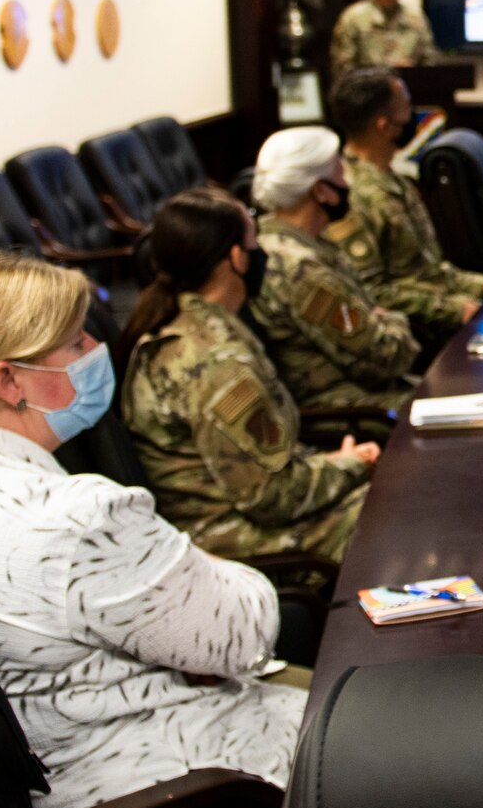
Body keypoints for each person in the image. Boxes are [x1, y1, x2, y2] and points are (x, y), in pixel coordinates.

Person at [0, 252, 302, 808]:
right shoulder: (78, 517)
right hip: (166, 783)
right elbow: (244, 634)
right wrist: (205, 572)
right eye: (74, 343)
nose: (97, 351)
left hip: (57, 775)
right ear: (8, 380)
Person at [120, 188, 377, 563]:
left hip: (231, 513)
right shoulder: (219, 363)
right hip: (227, 538)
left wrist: (335, 463)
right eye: (254, 242)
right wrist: (352, 462)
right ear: (237, 258)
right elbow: (271, 497)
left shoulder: (189, 322)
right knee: (395, 517)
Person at [248, 126, 420, 420]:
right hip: (352, 408)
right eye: (341, 174)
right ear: (321, 191)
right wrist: (393, 320)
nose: (348, 182)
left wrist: (378, 319)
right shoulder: (304, 271)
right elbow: (385, 357)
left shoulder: (278, 236)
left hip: (367, 392)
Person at [326, 66, 483, 341]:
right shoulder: (354, 196)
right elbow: (370, 293)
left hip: (447, 310)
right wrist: (454, 309)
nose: (413, 117)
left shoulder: (396, 181)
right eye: (406, 108)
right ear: (384, 125)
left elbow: (429, 269)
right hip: (420, 333)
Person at [330, 0, 436, 81]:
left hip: (409, 92)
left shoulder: (415, 17)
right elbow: (342, 68)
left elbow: (430, 61)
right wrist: (383, 72)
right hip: (368, 95)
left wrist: (412, 71)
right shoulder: (354, 17)